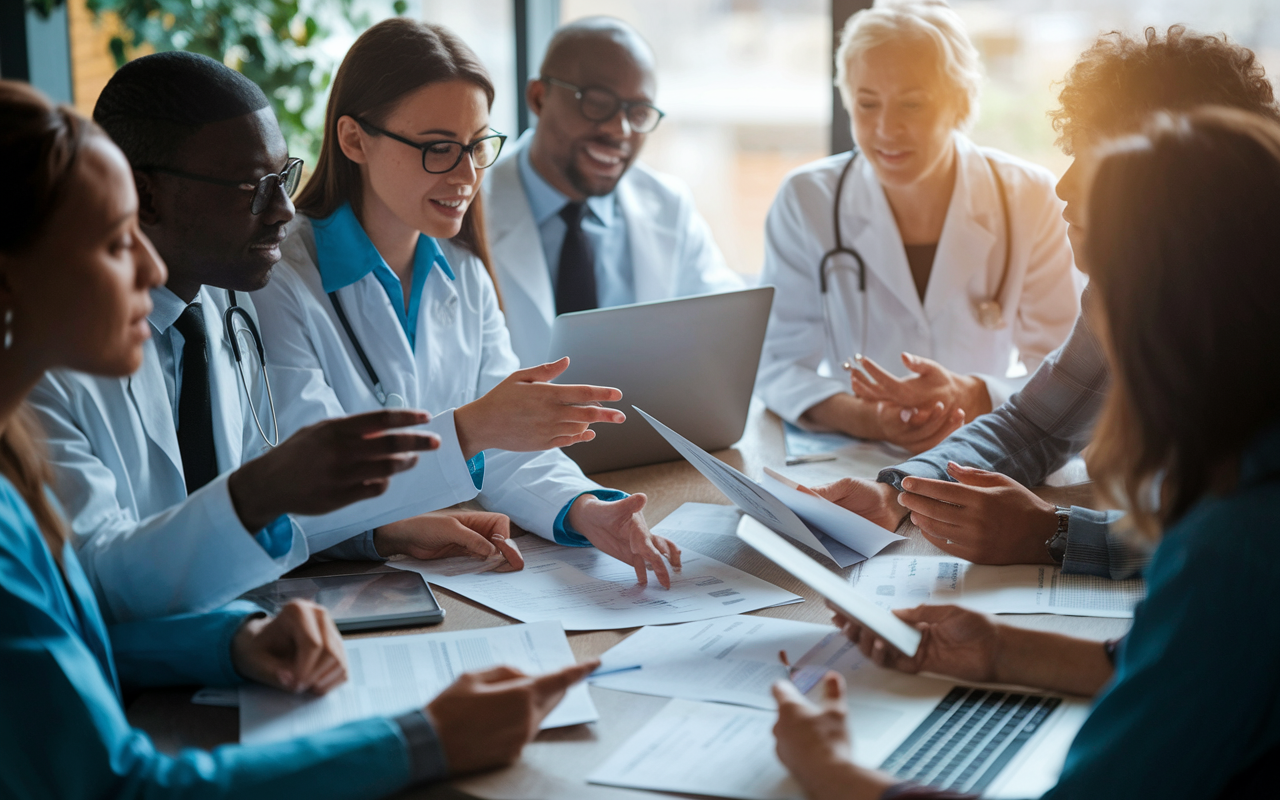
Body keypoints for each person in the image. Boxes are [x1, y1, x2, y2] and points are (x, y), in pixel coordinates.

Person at [0, 79, 597, 799]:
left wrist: (231, 638)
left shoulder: (222, 307)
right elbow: (116, 765)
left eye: (283, 180)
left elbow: (74, 627)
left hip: (204, 667)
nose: (149, 267)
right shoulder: (31, 431)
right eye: (113, 241)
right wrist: (421, 739)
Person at [772, 106, 1280, 800]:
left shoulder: (1232, 547)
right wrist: (1003, 649)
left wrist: (836, 776)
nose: (1064, 188)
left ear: (1169, 324)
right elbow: (1218, 662)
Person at [25, 51, 549, 625]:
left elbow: (262, 496)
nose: (282, 210)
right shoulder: (47, 364)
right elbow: (96, 582)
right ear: (144, 196)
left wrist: (378, 533)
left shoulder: (226, 301)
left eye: (284, 178)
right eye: (253, 187)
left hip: (244, 621)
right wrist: (263, 499)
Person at [813, 25, 1280, 578]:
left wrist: (1054, 533)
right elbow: (1033, 426)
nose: (1063, 185)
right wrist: (900, 491)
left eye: (1100, 161)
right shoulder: (1123, 287)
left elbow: (1246, 537)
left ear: (1183, 182)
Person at [252, 19, 682, 586]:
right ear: (354, 139)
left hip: (431, 566)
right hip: (326, 585)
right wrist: (470, 429)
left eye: (478, 147)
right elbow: (302, 480)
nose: (466, 175)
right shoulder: (279, 280)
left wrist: (586, 510)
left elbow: (511, 448)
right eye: (437, 148)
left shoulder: (464, 272)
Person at [756, 0, 1079, 455]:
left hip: (988, 449)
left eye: (912, 103)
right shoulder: (807, 199)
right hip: (855, 455)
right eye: (867, 104)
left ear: (960, 103)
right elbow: (778, 363)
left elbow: (1067, 371)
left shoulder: (1028, 196)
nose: (886, 129)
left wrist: (975, 394)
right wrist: (871, 420)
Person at [483, 16, 743, 368]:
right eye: (597, 102)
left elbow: (729, 328)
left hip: (634, 420)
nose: (618, 130)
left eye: (637, 113)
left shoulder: (668, 207)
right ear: (539, 97)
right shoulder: (472, 206)